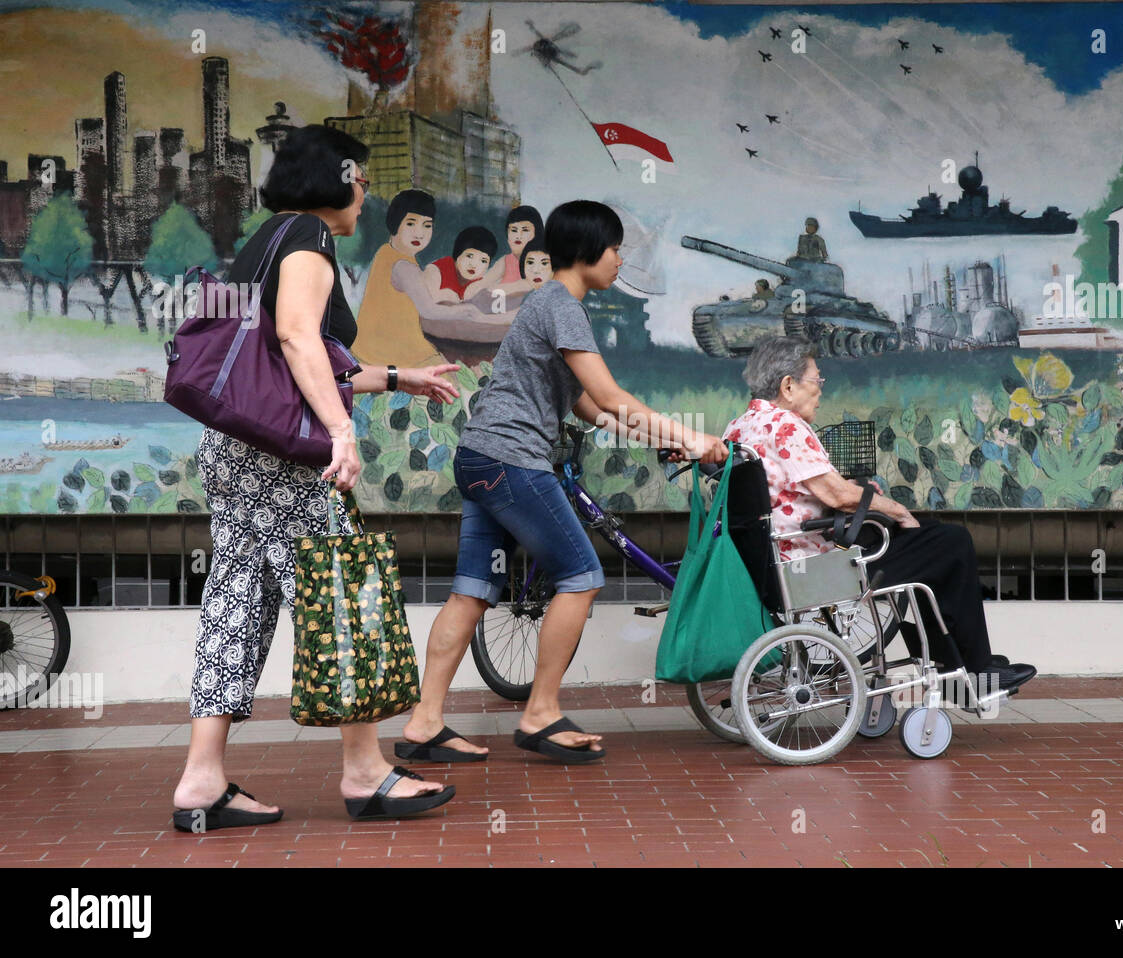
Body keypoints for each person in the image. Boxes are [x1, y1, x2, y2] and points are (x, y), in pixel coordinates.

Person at [170, 125, 463, 831]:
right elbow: (301, 338)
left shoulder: (268, 239)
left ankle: (201, 780)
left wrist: (399, 376)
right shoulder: (309, 237)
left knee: (235, 600)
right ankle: (365, 773)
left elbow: (295, 362)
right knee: (338, 589)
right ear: (337, 177)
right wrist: (339, 432)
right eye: (360, 178)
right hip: (285, 458)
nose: (366, 193)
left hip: (236, 447)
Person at [397, 200, 727, 764]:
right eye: (616, 248)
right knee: (581, 574)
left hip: (480, 457)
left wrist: (659, 438)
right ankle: (541, 712)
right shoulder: (563, 305)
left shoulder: (549, 304)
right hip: (512, 461)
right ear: (590, 251)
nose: (620, 260)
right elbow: (615, 397)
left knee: (473, 591)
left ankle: (424, 722)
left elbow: (591, 408)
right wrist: (697, 440)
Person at [721, 335, 1036, 696]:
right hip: (811, 567)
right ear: (788, 385)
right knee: (951, 543)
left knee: (929, 543)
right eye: (817, 380)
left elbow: (803, 492)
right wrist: (896, 509)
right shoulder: (786, 425)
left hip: (773, 564)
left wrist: (863, 497)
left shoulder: (740, 426)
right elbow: (837, 495)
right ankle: (974, 674)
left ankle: (957, 667)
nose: (821, 390)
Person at [350, 188, 448, 368]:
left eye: (427, 225)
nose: (419, 233)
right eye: (411, 224)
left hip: (364, 347)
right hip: (395, 351)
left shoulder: (386, 252)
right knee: (451, 378)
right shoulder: (404, 266)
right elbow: (430, 311)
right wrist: (470, 311)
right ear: (395, 223)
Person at [480, 205, 545, 294]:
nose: (518, 236)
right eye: (514, 230)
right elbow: (481, 285)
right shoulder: (506, 261)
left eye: (525, 230)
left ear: (537, 233)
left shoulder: (545, 262)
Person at [429, 226, 497, 301]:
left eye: (483, 261)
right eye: (469, 256)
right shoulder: (436, 270)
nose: (474, 265)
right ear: (458, 254)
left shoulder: (480, 284)